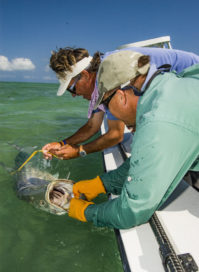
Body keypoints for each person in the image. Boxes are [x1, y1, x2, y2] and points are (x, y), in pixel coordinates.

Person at [65, 50, 199, 229]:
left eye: (106, 105)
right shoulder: (173, 84)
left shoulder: (158, 123)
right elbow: (144, 160)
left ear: (121, 95)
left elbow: (131, 212)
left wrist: (85, 212)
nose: (109, 113)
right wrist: (101, 184)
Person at [42, 46, 199, 160]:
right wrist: (62, 143)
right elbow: (92, 126)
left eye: (72, 89)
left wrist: (79, 151)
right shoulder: (100, 75)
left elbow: (115, 135)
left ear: (85, 75)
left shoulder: (112, 76)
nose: (74, 95)